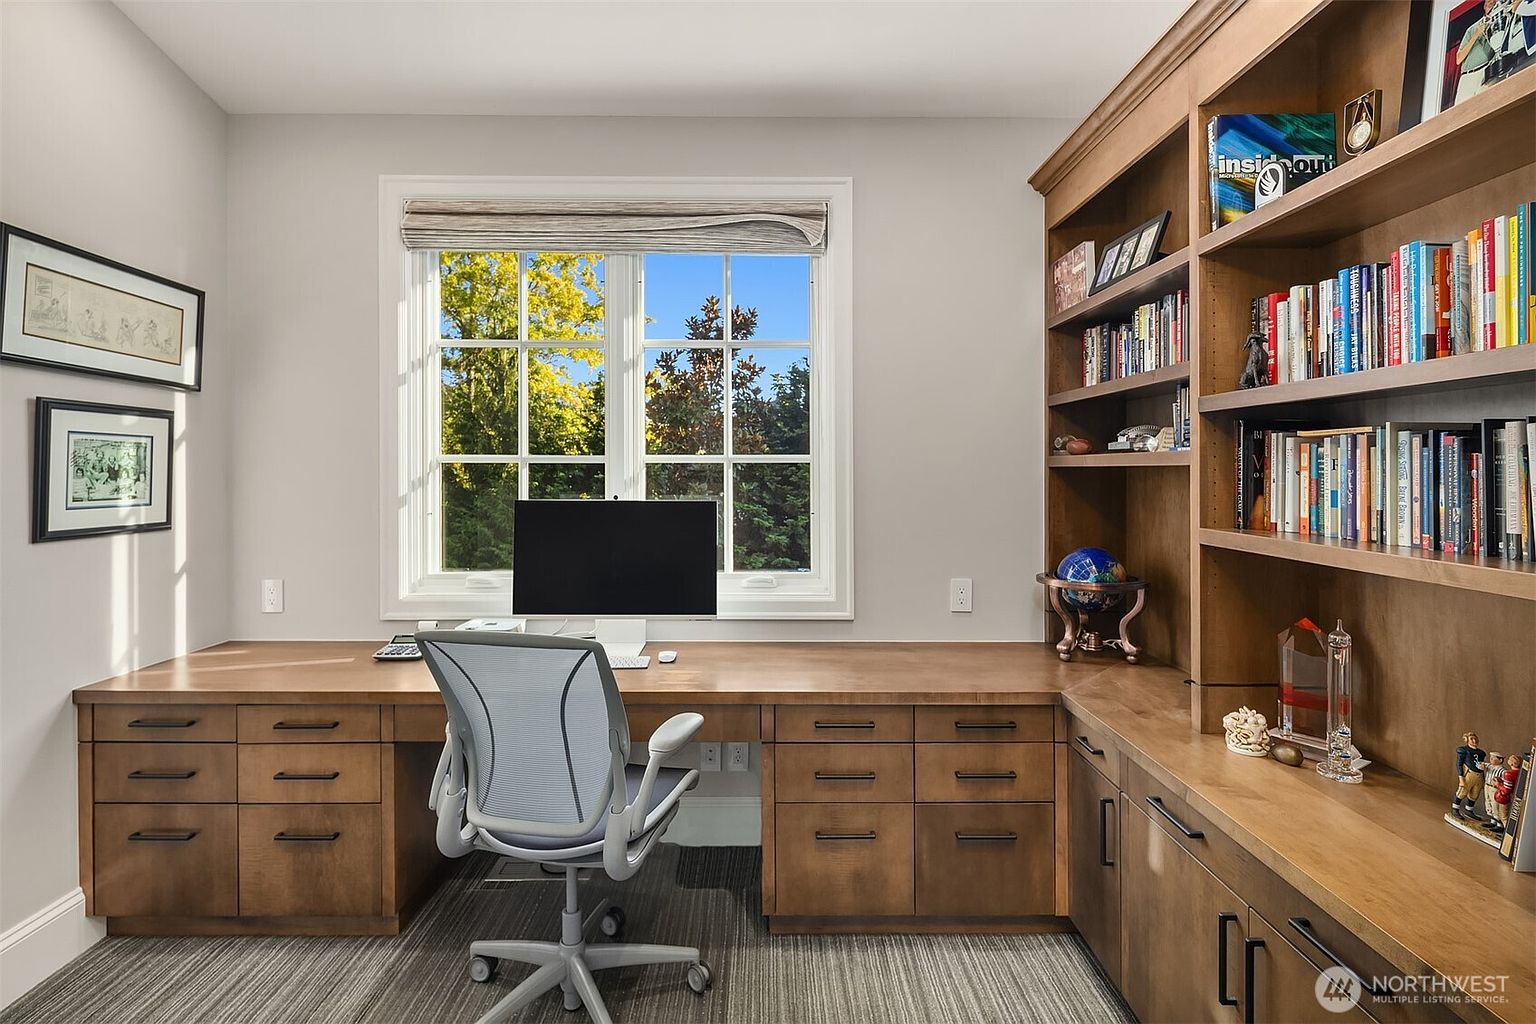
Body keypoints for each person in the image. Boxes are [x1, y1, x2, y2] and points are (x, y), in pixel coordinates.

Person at [1453, 731, 1489, 819]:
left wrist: (1483, 778)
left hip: (1479, 775)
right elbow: (1459, 764)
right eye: (1472, 739)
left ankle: (1469, 810)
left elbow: (1480, 764)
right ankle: (1455, 809)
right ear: (1467, 740)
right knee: (1462, 791)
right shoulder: (1463, 750)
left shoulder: (1481, 753)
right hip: (1469, 774)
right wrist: (1461, 778)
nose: (1474, 741)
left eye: (1475, 739)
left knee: (1475, 794)